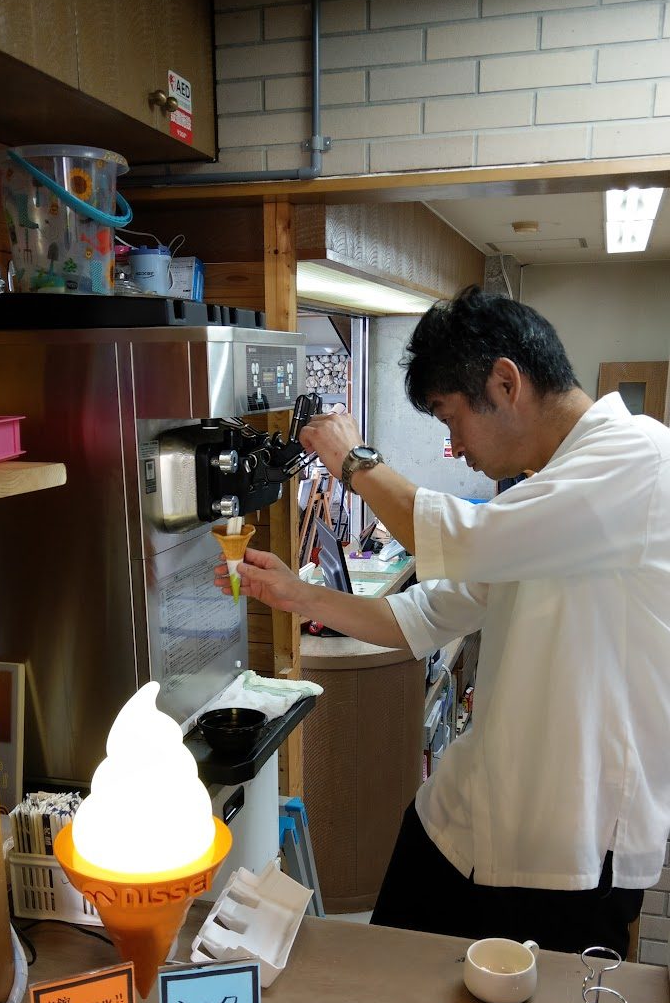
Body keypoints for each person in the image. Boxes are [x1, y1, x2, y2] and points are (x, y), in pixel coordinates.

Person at [216, 286, 670, 957]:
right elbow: (426, 613)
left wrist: (354, 460)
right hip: (459, 818)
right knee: (385, 981)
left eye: (451, 419)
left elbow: (464, 539)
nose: (453, 447)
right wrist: (297, 595)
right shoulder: (547, 494)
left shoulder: (639, 461)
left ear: (506, 383)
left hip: (569, 852)